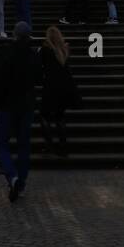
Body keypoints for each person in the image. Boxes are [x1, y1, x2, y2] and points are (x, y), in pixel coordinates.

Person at [0, 22, 42, 202]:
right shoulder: (33, 55)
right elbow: (39, 79)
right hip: (27, 105)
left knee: (2, 143)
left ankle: (12, 175)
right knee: (24, 145)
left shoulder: (5, 52)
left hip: (7, 104)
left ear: (14, 35)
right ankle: (21, 183)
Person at [39, 26, 80, 155]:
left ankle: (49, 144)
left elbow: (40, 66)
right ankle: (63, 146)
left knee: (44, 115)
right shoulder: (64, 50)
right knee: (60, 116)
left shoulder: (45, 50)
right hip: (64, 87)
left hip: (50, 87)